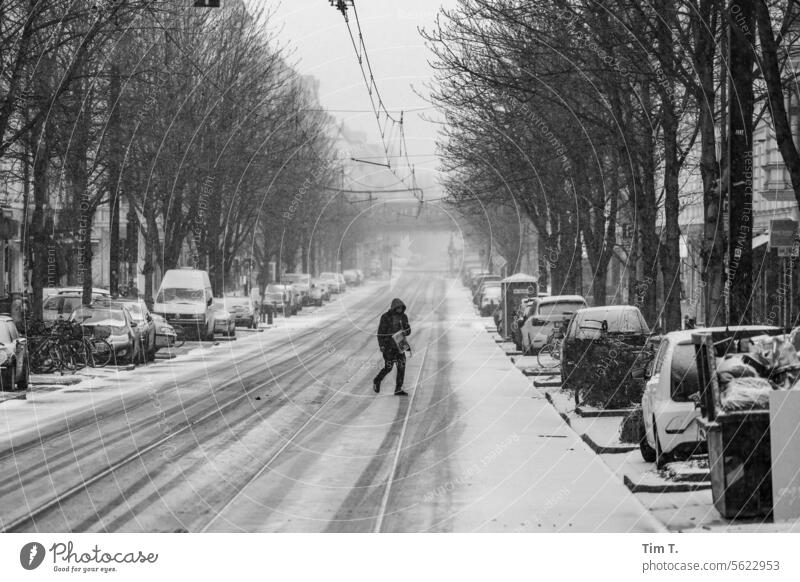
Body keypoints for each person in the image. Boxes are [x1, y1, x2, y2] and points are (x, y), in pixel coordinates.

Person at [373, 298, 411, 396]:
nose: (400, 310)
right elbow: (380, 333)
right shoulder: (386, 317)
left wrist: (406, 328)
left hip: (400, 346)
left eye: (401, 308)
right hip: (388, 346)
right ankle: (377, 380)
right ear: (394, 308)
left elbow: (408, 332)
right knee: (388, 367)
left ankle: (398, 389)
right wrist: (381, 345)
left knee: (401, 367)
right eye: (398, 308)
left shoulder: (404, 317)